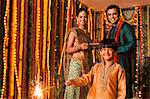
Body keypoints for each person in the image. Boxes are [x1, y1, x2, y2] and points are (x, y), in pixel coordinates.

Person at [105, 5, 135, 98]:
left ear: (119, 14)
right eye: (109, 14)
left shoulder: (126, 27)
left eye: (114, 14)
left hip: (123, 60)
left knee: (124, 84)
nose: (112, 17)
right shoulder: (111, 29)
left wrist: (117, 50)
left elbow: (132, 43)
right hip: (112, 62)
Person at [63, 8, 93, 99]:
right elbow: (67, 50)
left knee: (84, 87)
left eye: (85, 17)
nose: (83, 19)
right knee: (73, 87)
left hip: (86, 64)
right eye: (80, 17)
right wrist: (79, 47)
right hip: (76, 64)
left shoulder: (87, 33)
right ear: (77, 18)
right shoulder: (74, 31)